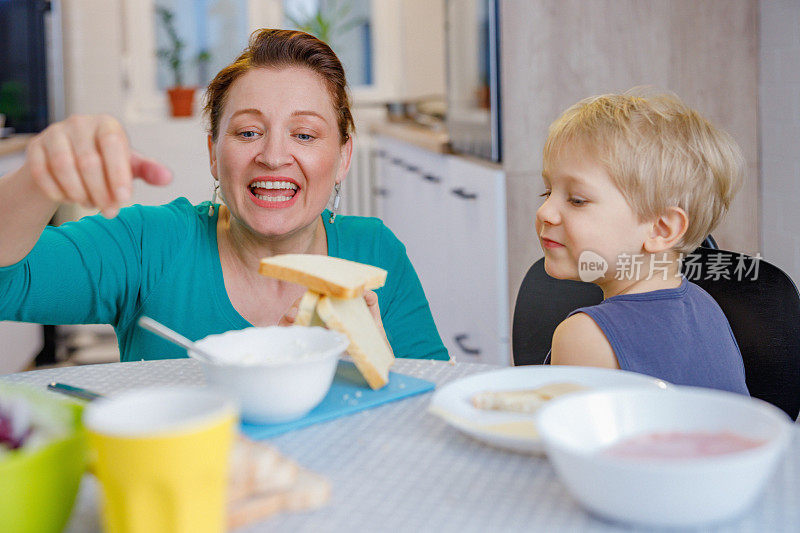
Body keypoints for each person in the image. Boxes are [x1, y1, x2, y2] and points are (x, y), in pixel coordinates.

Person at [0, 29, 448, 362]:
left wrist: (380, 365)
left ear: (343, 158)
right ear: (215, 153)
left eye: (305, 134)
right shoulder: (149, 245)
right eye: (248, 131)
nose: (274, 156)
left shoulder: (376, 254)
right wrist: (39, 181)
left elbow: (434, 416)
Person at [537, 90, 748, 394]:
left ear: (661, 229)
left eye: (577, 200)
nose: (545, 211)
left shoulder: (585, 336)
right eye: (547, 193)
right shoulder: (707, 307)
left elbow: (563, 439)